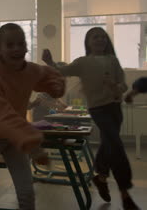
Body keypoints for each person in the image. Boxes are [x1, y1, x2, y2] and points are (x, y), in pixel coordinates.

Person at [0, 23, 65, 210]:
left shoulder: (32, 70)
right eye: (10, 45)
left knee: (26, 193)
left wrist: (54, 77)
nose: (17, 48)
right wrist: (33, 146)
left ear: (26, 46)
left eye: (21, 43)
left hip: (14, 139)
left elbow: (51, 78)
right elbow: (4, 118)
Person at [42, 27, 139, 210]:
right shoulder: (83, 62)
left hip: (115, 107)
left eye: (103, 37)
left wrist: (115, 87)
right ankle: (125, 194)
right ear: (88, 41)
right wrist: (50, 62)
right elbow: (61, 70)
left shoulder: (113, 60)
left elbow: (124, 85)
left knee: (109, 143)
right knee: (115, 144)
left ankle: (100, 177)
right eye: (96, 37)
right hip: (98, 109)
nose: (100, 40)